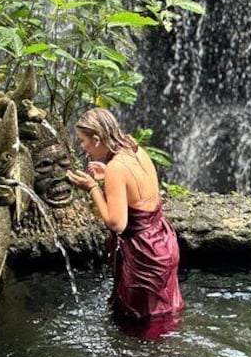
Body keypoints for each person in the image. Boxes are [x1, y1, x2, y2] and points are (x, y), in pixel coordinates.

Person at [66, 108, 184, 331]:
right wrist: (110, 175)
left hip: (145, 252)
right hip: (163, 240)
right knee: (162, 315)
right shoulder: (134, 149)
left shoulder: (116, 168)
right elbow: (136, 191)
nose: (82, 147)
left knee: (142, 323)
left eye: (83, 141)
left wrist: (92, 188)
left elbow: (116, 223)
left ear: (97, 139)